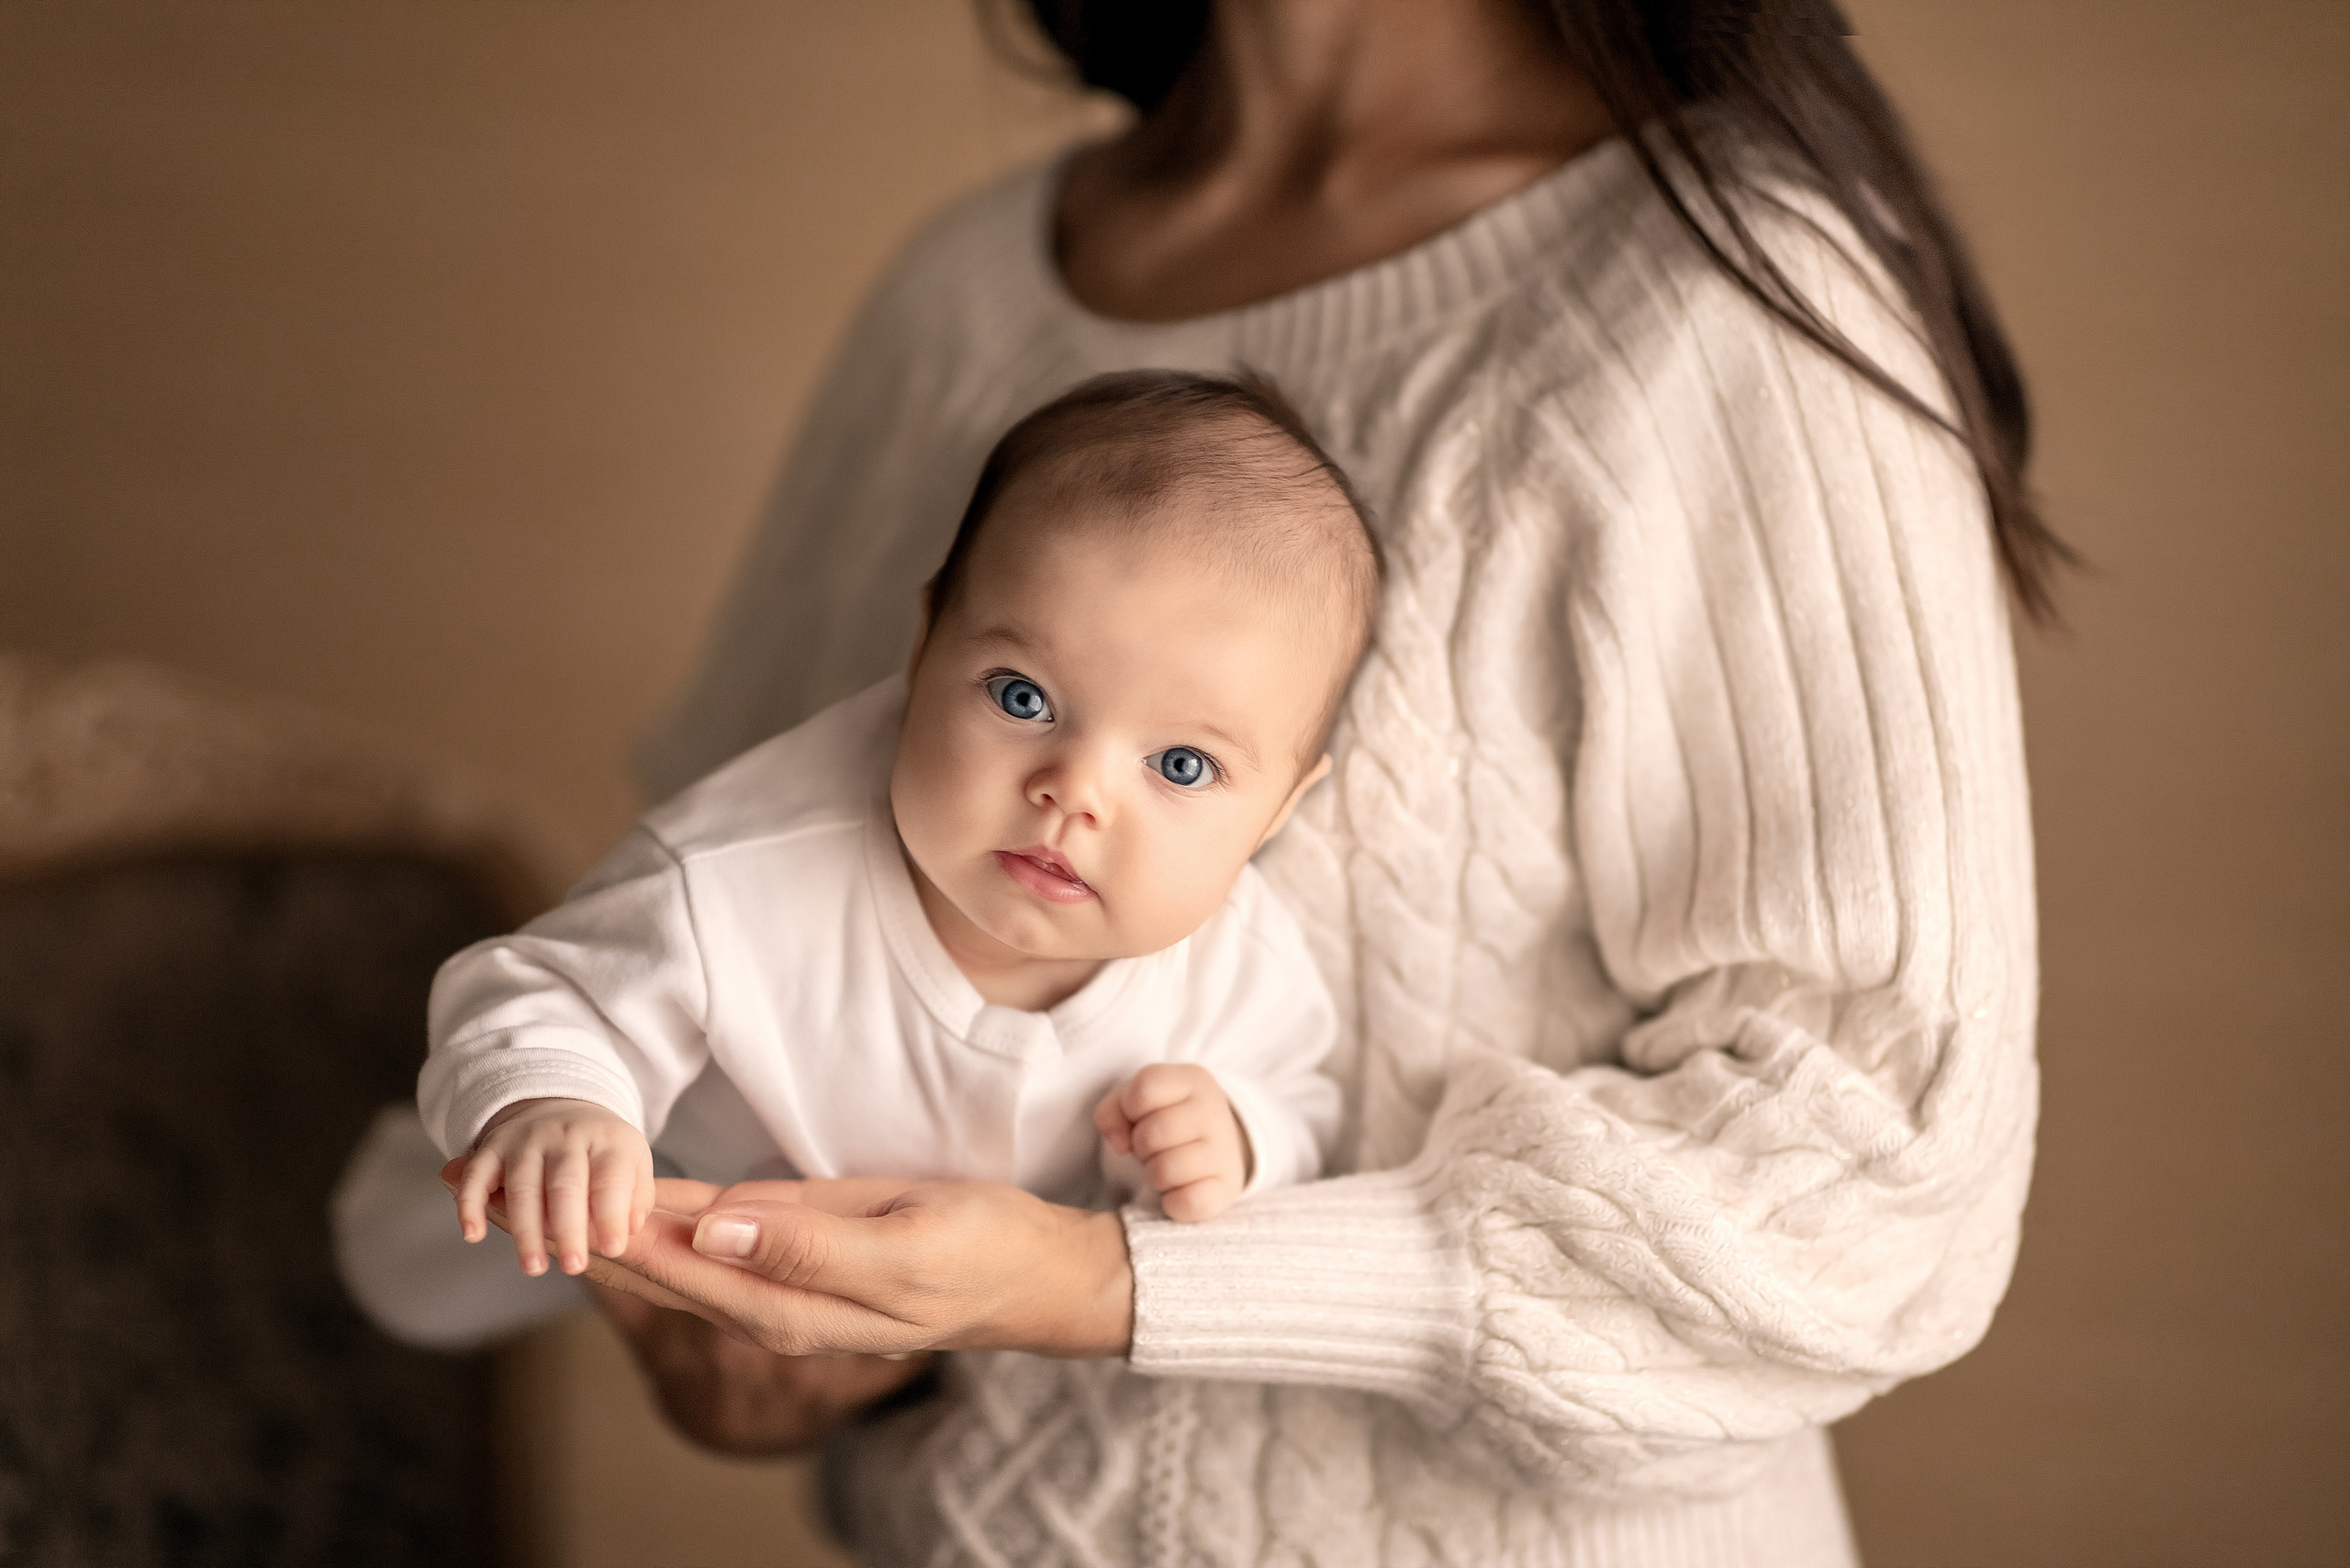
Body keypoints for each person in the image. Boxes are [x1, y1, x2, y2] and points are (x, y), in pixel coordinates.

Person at [347, 2, 2060, 1562]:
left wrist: (1104, 1280)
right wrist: (743, 1339)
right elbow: (713, 944)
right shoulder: (968, 294)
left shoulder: (1723, 301)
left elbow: (1870, 1180)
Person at [421, 372, 1371, 1278]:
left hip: (951, 1333)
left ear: (1279, 810)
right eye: (1022, 696)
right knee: (438, 1256)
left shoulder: (1242, 964)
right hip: (664, 1216)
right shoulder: (738, 870)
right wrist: (560, 1102)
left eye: (1181, 765)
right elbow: (541, 994)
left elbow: (1303, 1102)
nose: (1072, 791)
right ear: (923, 647)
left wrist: (1240, 1136)